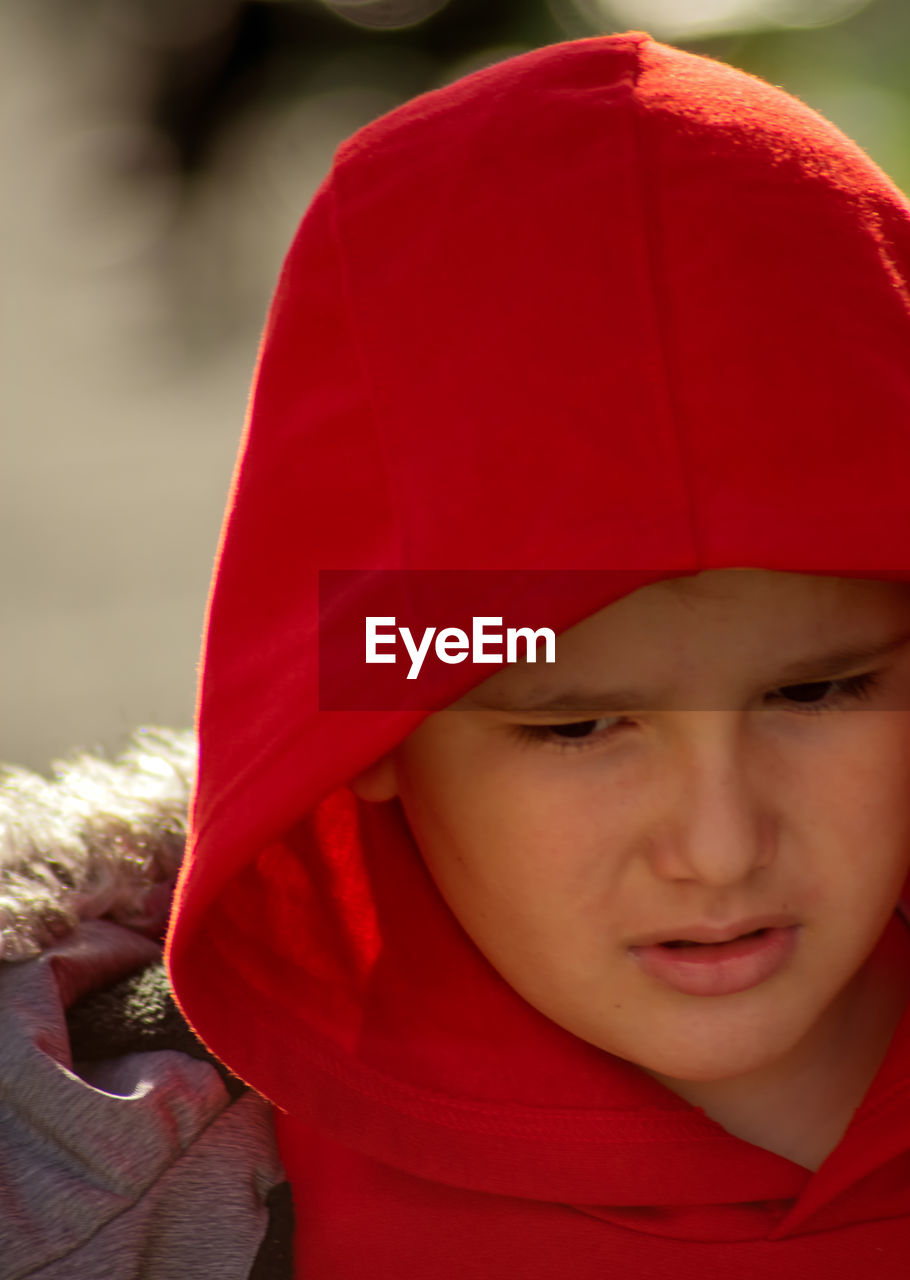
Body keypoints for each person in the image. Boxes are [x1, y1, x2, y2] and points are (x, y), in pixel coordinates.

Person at [159, 28, 910, 1277]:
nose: (717, 846)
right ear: (372, 729)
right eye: (572, 723)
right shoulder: (110, 1198)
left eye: (821, 688)